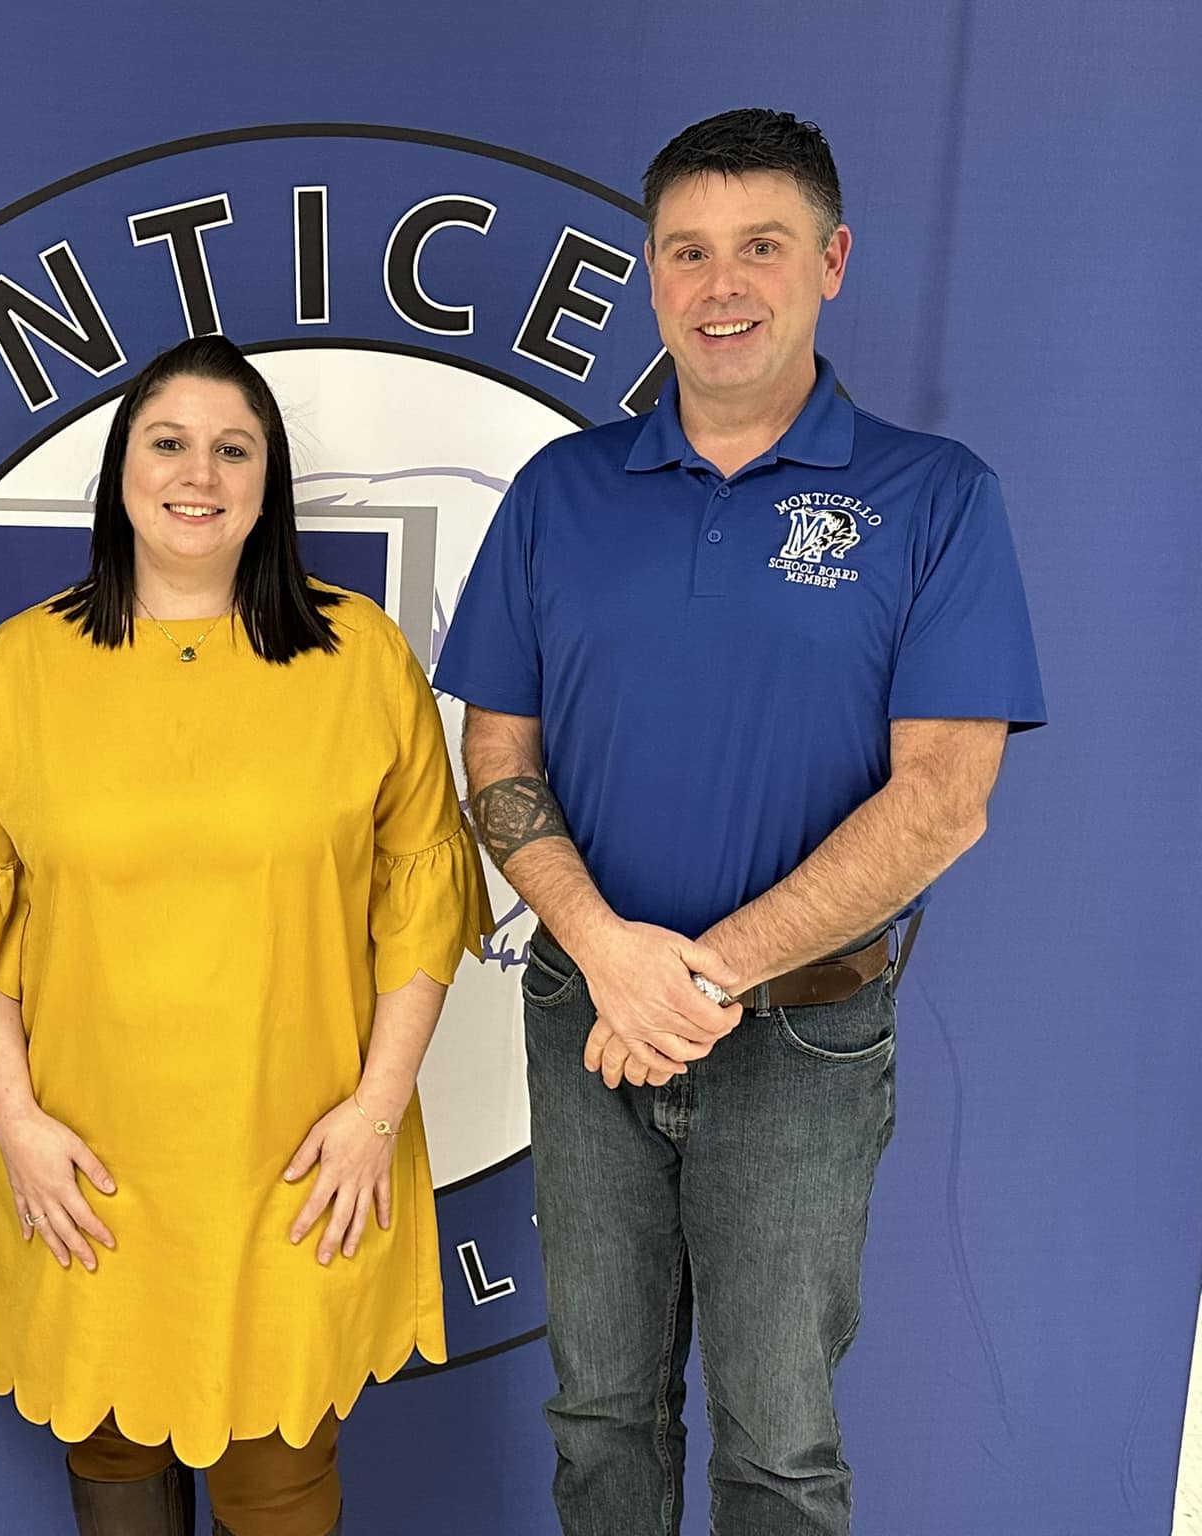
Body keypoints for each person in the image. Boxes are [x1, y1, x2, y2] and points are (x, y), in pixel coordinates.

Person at [435, 109, 1044, 1535]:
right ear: (652, 276)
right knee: (600, 1421)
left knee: (778, 1446)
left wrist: (697, 977)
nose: (723, 284)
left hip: (803, 1040)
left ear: (830, 261)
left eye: (760, 248)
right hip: (588, 1015)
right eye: (688, 251)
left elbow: (945, 799)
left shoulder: (932, 498)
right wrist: (611, 956)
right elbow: (496, 758)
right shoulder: (560, 494)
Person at [0, 334, 489, 1536]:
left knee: (278, 1477)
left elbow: (422, 904)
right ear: (121, 468)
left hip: (299, 1156)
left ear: (267, 481)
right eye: (168, 443)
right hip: (86, 1159)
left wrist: (375, 1109)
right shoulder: (21, 667)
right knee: (113, 1461)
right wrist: (13, 1122)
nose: (198, 474)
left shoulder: (361, 655)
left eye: (234, 449)